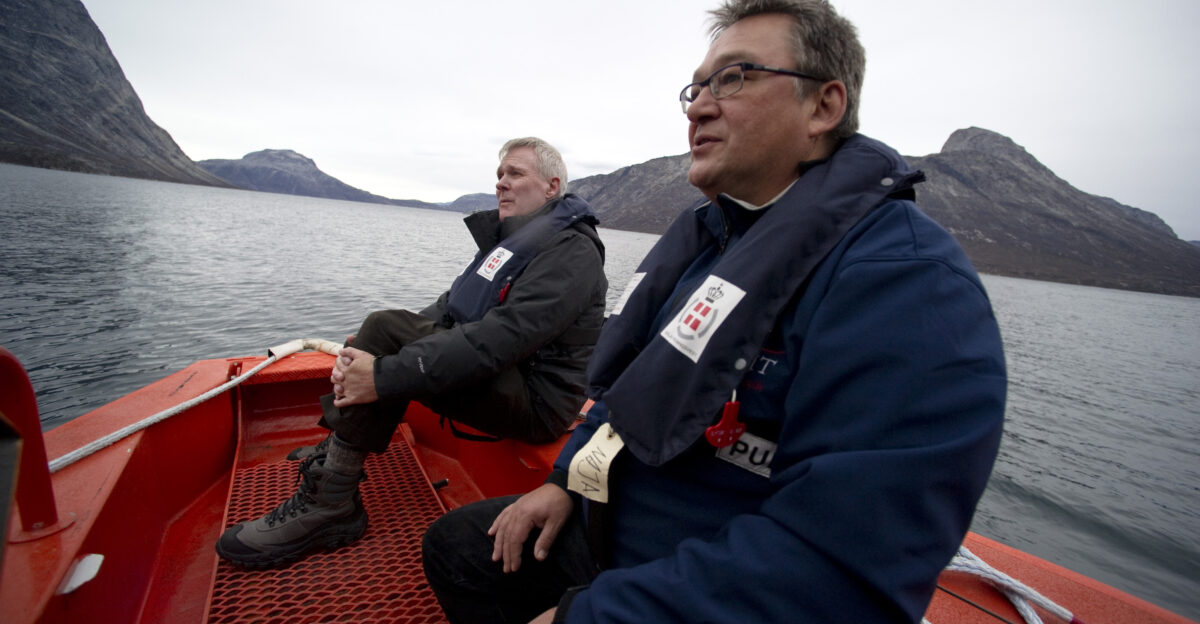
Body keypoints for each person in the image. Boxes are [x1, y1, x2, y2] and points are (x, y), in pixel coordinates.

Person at [421, 2, 1007, 623]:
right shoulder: (714, 249)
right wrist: (566, 482)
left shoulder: (906, 283)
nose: (698, 106)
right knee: (457, 550)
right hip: (610, 529)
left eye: (733, 78)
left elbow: (836, 572)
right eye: (696, 88)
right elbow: (631, 393)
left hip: (696, 575)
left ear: (823, 106)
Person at [216, 137, 609, 568]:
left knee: (385, 333)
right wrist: (372, 350)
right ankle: (337, 453)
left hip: (537, 403)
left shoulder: (572, 251)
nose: (501, 183)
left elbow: (503, 337)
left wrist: (384, 371)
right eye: (499, 174)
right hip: (506, 376)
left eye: (515, 174)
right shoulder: (517, 242)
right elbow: (449, 307)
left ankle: (330, 505)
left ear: (552, 186)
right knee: (379, 334)